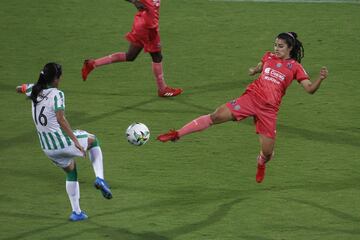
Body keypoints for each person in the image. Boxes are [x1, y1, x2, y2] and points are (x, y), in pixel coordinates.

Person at [157, 32, 329, 183]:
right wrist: (255, 70)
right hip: (251, 98)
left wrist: (319, 79)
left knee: (268, 153)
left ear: (290, 48)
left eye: (281, 46)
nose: (276, 49)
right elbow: (261, 66)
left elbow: (309, 89)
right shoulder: (268, 56)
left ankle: (261, 162)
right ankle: (177, 134)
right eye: (275, 45)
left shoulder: (296, 67)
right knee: (216, 116)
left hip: (269, 111)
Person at [16, 63, 113, 222]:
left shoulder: (33, 90)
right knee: (93, 141)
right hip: (62, 143)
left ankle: (77, 212)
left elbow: (19, 88)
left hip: (48, 149)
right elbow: (61, 119)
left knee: (71, 171)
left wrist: (23, 88)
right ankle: (100, 178)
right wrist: (75, 141)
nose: (60, 79)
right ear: (55, 79)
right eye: (59, 77)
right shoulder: (57, 94)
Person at [81, 0, 183, 97]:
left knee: (131, 55)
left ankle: (93, 64)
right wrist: (135, 1)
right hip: (148, 28)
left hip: (142, 22)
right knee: (157, 56)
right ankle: (162, 89)